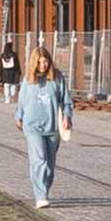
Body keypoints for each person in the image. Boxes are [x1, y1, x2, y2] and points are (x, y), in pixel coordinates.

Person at [13, 45, 75, 208]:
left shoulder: (57, 78)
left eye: (45, 61)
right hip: (32, 126)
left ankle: (44, 190)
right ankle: (40, 196)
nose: (42, 65)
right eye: (39, 62)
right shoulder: (28, 80)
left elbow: (66, 100)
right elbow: (22, 101)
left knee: (49, 165)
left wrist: (67, 116)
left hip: (53, 126)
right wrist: (18, 116)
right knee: (39, 159)